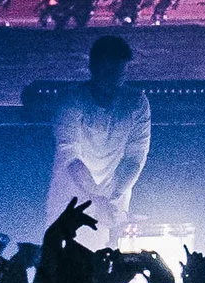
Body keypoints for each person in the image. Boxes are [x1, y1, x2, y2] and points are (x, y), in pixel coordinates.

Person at [43, 29, 152, 244]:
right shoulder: (72, 101)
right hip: (69, 198)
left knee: (107, 260)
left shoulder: (137, 102)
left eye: (120, 75)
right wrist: (97, 198)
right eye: (109, 74)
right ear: (93, 69)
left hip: (113, 201)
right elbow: (70, 157)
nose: (114, 83)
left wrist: (112, 197)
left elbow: (135, 158)